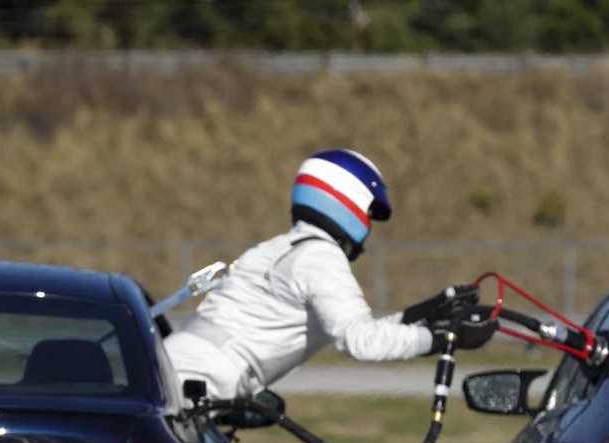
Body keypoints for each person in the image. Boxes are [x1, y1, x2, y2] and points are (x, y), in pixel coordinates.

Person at [165, 148, 498, 401]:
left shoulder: (275, 249)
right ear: (346, 200)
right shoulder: (319, 257)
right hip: (202, 382)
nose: (367, 227)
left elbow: (356, 329)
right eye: (368, 214)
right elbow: (361, 342)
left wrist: (428, 312)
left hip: (174, 370)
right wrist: (445, 339)